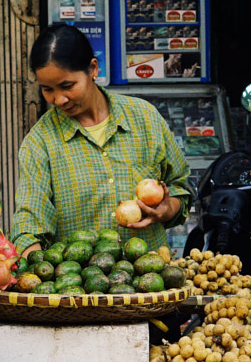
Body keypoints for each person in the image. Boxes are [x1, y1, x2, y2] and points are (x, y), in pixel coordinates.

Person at [11, 23, 191, 253]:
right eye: (48, 89)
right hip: (82, 286)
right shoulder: (40, 142)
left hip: (150, 282)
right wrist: (35, 266)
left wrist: (167, 209)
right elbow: (29, 222)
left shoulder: (145, 119)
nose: (59, 100)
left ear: (93, 69)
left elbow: (180, 187)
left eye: (67, 86)